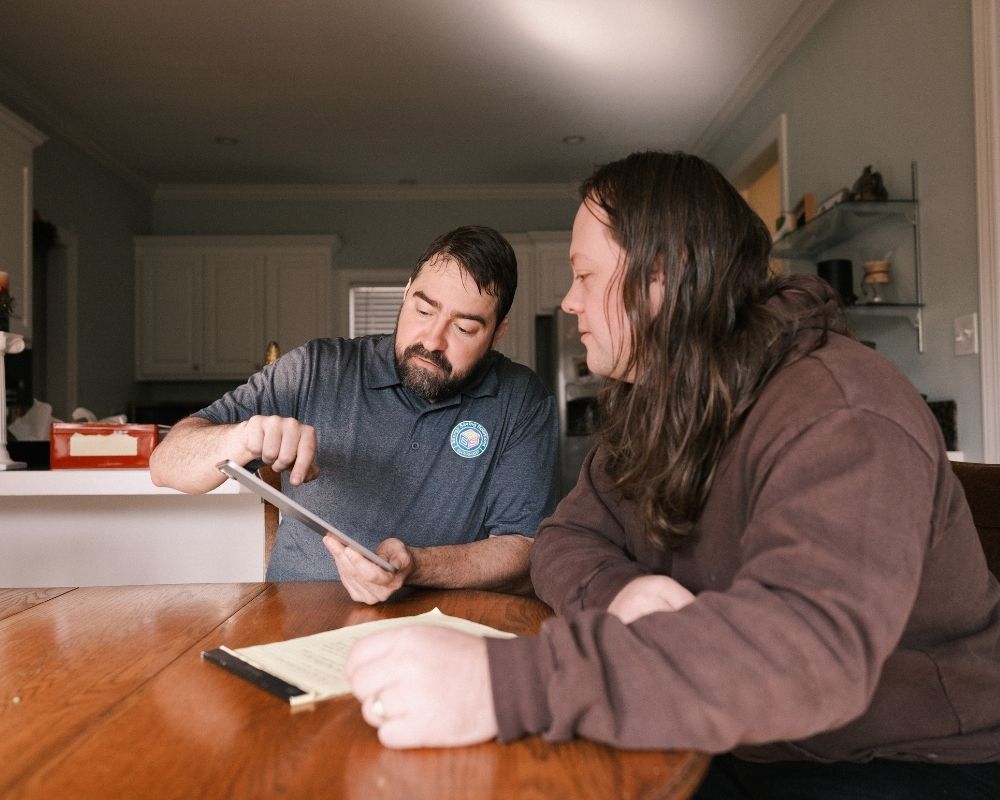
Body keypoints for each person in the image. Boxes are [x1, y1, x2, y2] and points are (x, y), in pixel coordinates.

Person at [344, 152, 1000, 798]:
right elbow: (563, 539)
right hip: (722, 730)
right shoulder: (655, 401)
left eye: (585, 274)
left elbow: (807, 655)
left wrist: (499, 686)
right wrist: (622, 594)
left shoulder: (843, 409)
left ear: (662, 278)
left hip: (901, 759)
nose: (570, 302)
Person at [150, 225, 558, 603]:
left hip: (438, 633)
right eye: (423, 310)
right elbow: (165, 463)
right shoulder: (314, 369)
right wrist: (240, 437)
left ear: (497, 332)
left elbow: (522, 546)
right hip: (297, 625)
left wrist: (416, 565)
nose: (432, 341)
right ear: (406, 292)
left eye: (465, 329)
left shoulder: (521, 401)